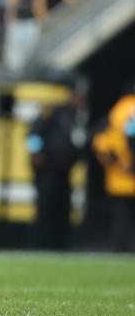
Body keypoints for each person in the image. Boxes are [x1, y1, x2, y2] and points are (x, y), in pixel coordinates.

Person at [25, 87, 84, 250]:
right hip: (47, 171)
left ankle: (60, 246)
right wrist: (35, 154)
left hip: (63, 173)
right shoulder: (53, 112)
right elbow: (34, 134)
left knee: (63, 210)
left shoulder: (74, 118)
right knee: (45, 209)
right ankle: (39, 246)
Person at [92, 91, 135, 252]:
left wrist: (116, 163)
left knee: (121, 217)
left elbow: (100, 143)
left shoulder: (118, 109)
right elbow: (131, 136)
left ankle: (120, 248)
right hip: (127, 173)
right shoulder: (130, 108)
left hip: (119, 176)